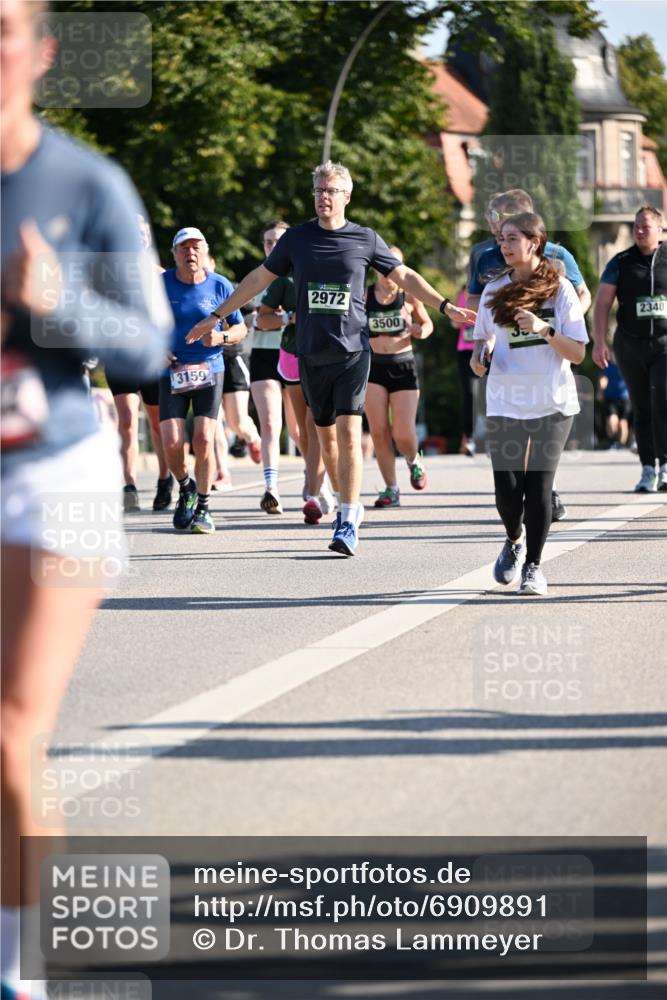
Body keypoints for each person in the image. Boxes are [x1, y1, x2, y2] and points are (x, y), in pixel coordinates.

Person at [1, 4, 172, 998]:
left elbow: (151, 349)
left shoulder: (83, 184)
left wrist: (61, 297)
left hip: (59, 474)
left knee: (11, 723)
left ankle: (24, 972)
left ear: (40, 53)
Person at [186, 159, 476, 556]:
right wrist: (216, 316)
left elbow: (404, 276)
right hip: (310, 352)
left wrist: (445, 306)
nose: (324, 197)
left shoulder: (364, 239)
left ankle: (348, 518)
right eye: (319, 190)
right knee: (323, 440)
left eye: (331, 190)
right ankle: (344, 501)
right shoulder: (297, 240)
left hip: (354, 351)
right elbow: (258, 278)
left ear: (347, 196)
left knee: (349, 434)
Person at [470, 212, 588, 596]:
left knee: (539, 487)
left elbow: (577, 353)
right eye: (501, 239)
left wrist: (544, 329)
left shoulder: (560, 291)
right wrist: (479, 356)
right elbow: (482, 340)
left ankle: (534, 567)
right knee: (507, 489)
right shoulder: (493, 291)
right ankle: (513, 539)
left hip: (552, 402)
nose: (503, 246)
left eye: (511, 239)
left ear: (534, 242)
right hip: (506, 399)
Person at [160, 229, 248, 534]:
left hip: (210, 369)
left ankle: (203, 506)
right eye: (183, 248)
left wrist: (221, 336)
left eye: (196, 247)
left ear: (205, 251)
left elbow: (241, 329)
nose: (190, 253)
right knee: (172, 443)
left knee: (204, 438)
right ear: (174, 255)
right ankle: (185, 486)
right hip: (171, 371)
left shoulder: (219, 285)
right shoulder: (161, 285)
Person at [592, 205, 666, 492]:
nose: (639, 230)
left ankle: (666, 465)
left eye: (645, 226)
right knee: (642, 406)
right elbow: (602, 304)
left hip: (664, 344)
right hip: (630, 344)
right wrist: (599, 342)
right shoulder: (621, 262)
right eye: (636, 226)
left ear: (659, 229)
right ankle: (648, 469)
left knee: (663, 399)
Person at [106, 214, 173, 513]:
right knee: (127, 422)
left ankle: (164, 478)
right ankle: (129, 485)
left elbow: (170, 320)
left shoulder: (162, 276)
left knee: (159, 425)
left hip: (151, 358)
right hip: (119, 356)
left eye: (142, 232)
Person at [365, 245, 433, 508]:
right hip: (373, 367)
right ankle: (391, 489)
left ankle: (413, 460)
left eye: (394, 265)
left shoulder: (408, 296)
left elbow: (428, 324)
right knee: (379, 431)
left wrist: (419, 331)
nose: (388, 271)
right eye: (383, 265)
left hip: (403, 365)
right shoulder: (364, 295)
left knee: (403, 432)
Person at [450, 284, 478, 456]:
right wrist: (461, 314)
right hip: (465, 351)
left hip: (487, 349)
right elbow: (454, 323)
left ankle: (494, 437)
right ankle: (469, 439)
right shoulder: (460, 294)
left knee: (490, 394)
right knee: (469, 395)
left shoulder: (487, 291)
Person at [597, 351, 630, 449]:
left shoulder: (626, 365)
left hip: (625, 398)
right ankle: (613, 442)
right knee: (612, 421)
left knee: (623, 423)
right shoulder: (608, 365)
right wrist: (600, 391)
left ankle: (621, 445)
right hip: (611, 398)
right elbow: (603, 378)